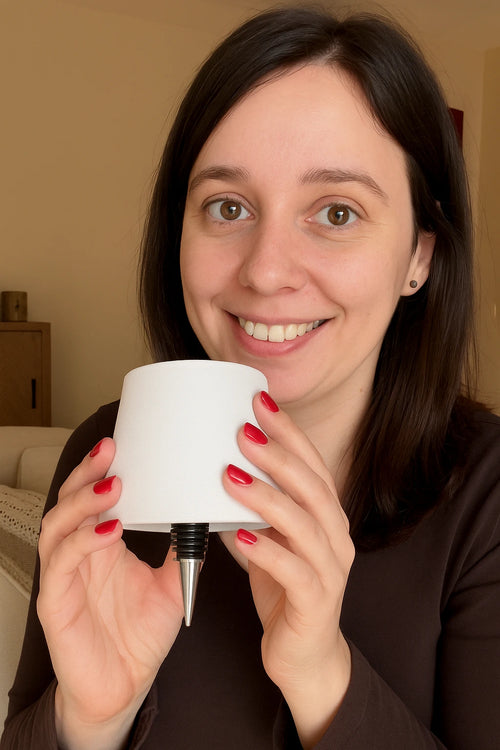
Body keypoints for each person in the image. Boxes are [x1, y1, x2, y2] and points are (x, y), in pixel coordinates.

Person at [2, 5, 499, 749]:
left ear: (419, 257)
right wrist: (87, 720)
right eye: (228, 206)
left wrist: (324, 677)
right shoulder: (108, 455)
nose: (265, 271)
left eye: (337, 213)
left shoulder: (487, 494)